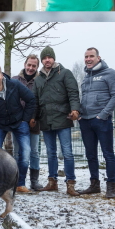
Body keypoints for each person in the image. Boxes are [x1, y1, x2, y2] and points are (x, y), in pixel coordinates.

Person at [0, 64, 36, 192]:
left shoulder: (14, 84)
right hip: (0, 124)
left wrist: (25, 120)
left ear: (2, 75)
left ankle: (20, 184)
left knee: (25, 152)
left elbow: (31, 99)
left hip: (19, 121)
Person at [33, 46, 82, 196]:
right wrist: (33, 117)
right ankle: (52, 181)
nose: (47, 60)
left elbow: (73, 93)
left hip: (63, 118)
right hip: (46, 120)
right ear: (42, 60)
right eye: (44, 58)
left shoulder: (65, 73)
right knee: (50, 152)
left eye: (49, 57)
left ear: (54, 58)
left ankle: (70, 183)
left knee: (67, 152)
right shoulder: (38, 79)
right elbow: (35, 100)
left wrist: (75, 109)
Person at [78, 47, 115, 198]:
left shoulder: (110, 73)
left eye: (91, 56)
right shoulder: (85, 77)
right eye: (86, 57)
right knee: (90, 155)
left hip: (102, 121)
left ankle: (111, 186)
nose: (88, 59)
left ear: (99, 58)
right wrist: (79, 115)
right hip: (85, 121)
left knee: (108, 154)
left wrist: (103, 115)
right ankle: (94, 185)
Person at [13, 54, 43, 191]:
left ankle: (34, 180)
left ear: (37, 67)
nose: (30, 68)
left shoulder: (41, 81)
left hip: (34, 122)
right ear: (25, 64)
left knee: (34, 152)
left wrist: (35, 117)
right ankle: (17, 180)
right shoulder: (15, 80)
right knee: (18, 151)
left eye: (34, 66)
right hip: (18, 123)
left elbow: (41, 102)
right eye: (29, 65)